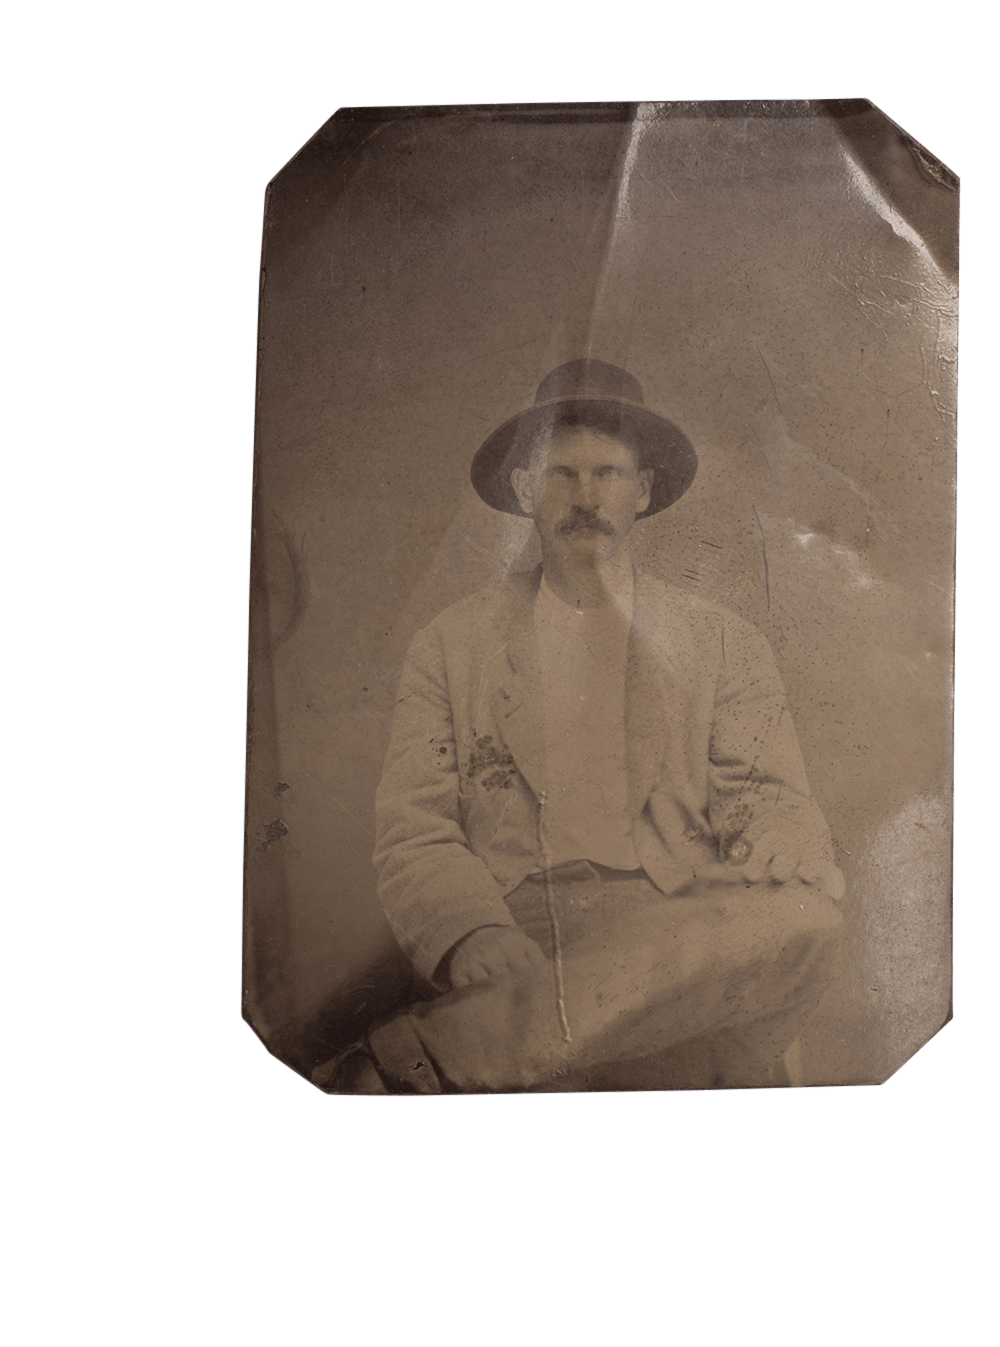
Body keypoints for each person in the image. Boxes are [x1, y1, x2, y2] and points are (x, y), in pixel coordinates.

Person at [314, 359, 845, 1095]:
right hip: (525, 932)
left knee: (808, 923)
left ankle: (427, 1060)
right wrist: (475, 932)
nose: (586, 498)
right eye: (561, 474)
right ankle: (560, 1046)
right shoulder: (453, 643)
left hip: (680, 927)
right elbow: (416, 828)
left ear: (644, 493)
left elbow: (768, 798)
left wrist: (783, 834)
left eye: (609, 474)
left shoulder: (726, 643)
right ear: (525, 489)